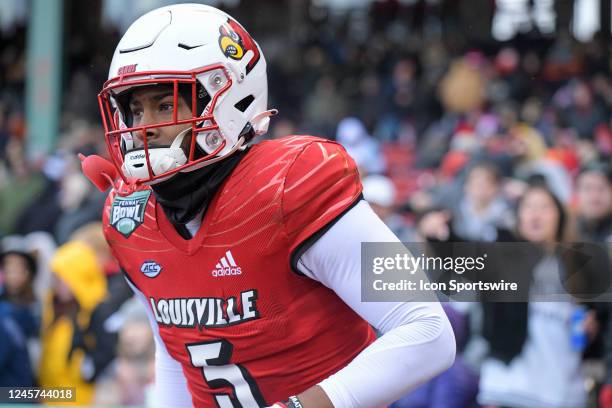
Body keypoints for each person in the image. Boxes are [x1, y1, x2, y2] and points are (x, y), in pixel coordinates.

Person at [82, 4, 455, 408]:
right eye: (134, 108)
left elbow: (428, 331)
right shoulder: (131, 218)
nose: (144, 125)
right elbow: (175, 355)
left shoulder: (291, 183)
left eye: (165, 104)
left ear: (226, 98)